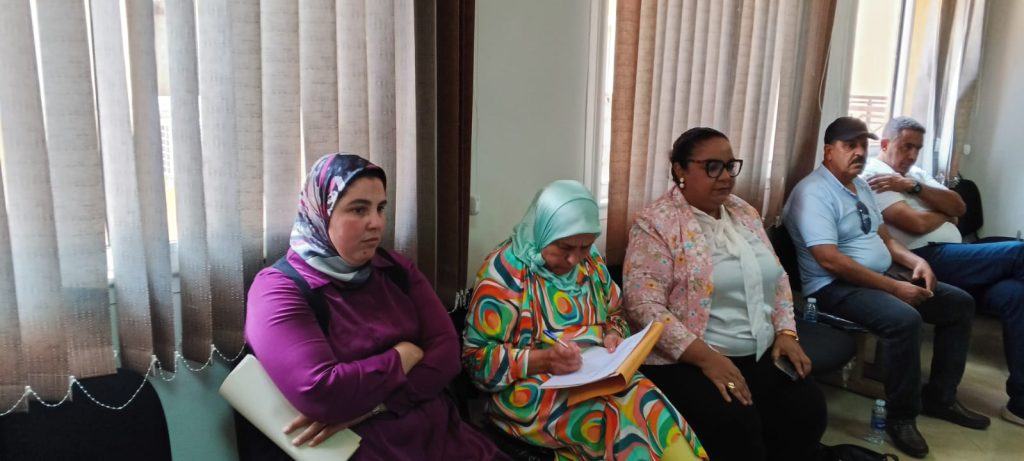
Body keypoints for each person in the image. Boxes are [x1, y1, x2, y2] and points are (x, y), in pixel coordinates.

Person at [245, 153, 507, 460]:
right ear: (321, 213)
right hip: (360, 449)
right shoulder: (279, 289)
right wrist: (403, 356)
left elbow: (447, 355)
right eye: (359, 209)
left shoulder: (395, 269)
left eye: (380, 208)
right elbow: (321, 393)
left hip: (441, 436)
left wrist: (375, 405)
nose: (377, 223)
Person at [784, 117, 989, 459]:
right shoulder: (814, 192)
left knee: (959, 303)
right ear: (829, 151)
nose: (859, 152)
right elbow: (830, 260)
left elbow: (886, 239)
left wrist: (916, 263)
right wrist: (894, 289)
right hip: (832, 287)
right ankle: (901, 417)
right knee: (904, 319)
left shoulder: (861, 186)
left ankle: (940, 397)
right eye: (850, 145)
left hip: (879, 276)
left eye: (863, 145)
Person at [462, 180, 707, 461]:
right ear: (543, 229)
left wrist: (614, 334)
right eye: (564, 246)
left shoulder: (590, 263)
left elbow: (616, 313)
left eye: (585, 246)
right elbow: (476, 362)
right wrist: (544, 359)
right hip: (530, 389)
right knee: (614, 416)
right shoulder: (505, 272)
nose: (573, 259)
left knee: (647, 399)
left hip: (595, 377)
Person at [623, 127, 827, 461]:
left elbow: (777, 278)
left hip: (759, 350)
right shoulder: (656, 223)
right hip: (690, 358)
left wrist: (786, 332)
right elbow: (643, 305)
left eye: (730, 166)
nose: (726, 176)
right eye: (712, 167)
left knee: (807, 410)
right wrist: (707, 358)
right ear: (680, 169)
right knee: (737, 427)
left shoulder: (744, 212)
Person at [863, 115, 1024, 427]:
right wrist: (944, 214)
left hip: (955, 259)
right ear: (884, 144)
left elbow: (960, 207)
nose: (912, 155)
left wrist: (914, 187)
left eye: (917, 148)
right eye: (906, 146)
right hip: (921, 259)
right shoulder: (875, 174)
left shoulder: (915, 175)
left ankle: (1017, 403)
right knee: (1020, 252)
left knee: (1016, 294)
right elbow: (913, 223)